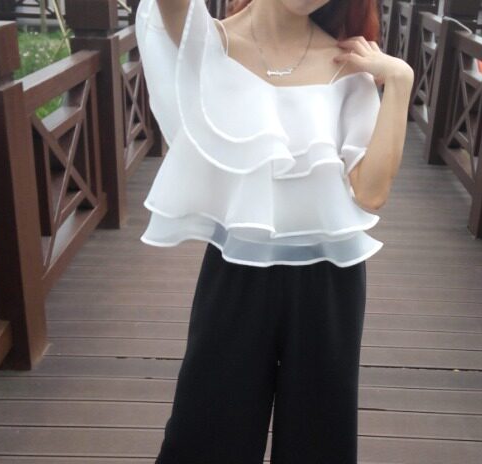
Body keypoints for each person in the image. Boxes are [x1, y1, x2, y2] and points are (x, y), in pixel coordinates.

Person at [134, 0, 413, 462]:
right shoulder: (209, 44)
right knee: (204, 428)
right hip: (237, 267)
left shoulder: (348, 63)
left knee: (319, 440)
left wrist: (400, 79)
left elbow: (371, 192)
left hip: (330, 279)